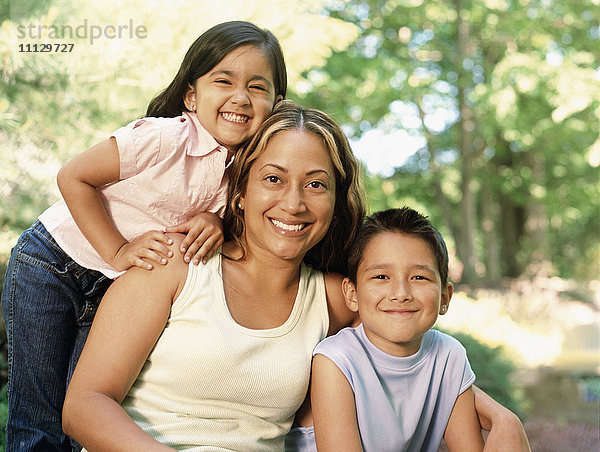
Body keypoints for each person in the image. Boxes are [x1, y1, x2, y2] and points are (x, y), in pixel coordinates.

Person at [1, 20, 287, 451]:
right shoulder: (163, 137)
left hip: (113, 288)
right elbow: (74, 177)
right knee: (38, 416)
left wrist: (215, 222)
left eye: (258, 87)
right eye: (222, 81)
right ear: (192, 95)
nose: (240, 98)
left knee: (79, 420)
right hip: (54, 263)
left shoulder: (248, 177)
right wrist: (117, 249)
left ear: (276, 105)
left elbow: (229, 224)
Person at [62, 100, 366, 451]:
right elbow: (84, 406)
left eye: (315, 185)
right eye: (273, 179)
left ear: (336, 201)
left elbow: (411, 363)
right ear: (241, 193)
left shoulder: (336, 299)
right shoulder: (176, 263)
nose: (294, 203)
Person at [309, 207, 485, 451]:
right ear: (352, 294)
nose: (401, 294)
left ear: (445, 297)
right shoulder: (336, 360)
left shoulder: (449, 356)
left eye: (419, 278)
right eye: (381, 277)